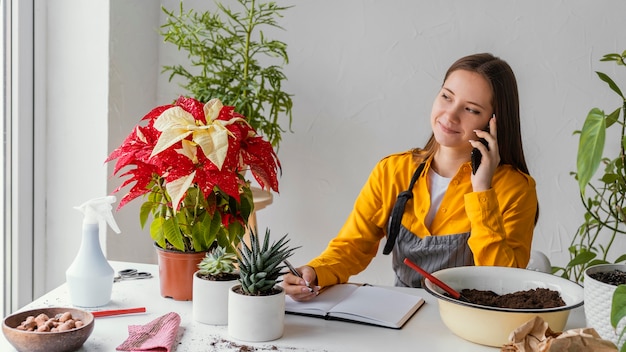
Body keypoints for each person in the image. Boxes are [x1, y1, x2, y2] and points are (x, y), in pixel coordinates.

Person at [283, 53, 538, 301]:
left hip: (469, 323)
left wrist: (482, 191)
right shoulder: (393, 171)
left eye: (471, 109)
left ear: (493, 123)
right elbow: (351, 247)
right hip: (402, 318)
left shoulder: (515, 189)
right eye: (446, 97)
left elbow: (505, 283)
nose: (450, 115)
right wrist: (315, 273)